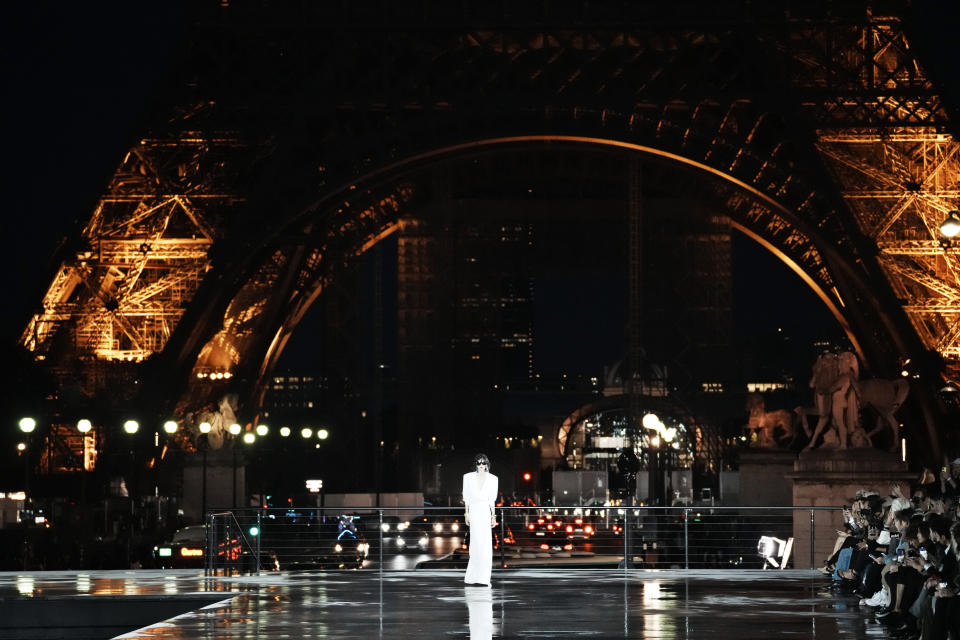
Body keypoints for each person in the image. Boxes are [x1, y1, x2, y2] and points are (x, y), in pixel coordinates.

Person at [463, 453, 498, 586]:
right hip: (474, 511)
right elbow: (466, 498)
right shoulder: (468, 477)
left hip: (484, 511)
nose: (481, 465)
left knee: (485, 545)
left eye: (484, 463)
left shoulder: (493, 479)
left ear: (487, 464)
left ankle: (484, 578)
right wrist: (466, 514)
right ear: (475, 464)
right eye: (479, 463)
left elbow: (492, 500)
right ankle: (472, 577)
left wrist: (493, 516)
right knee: (474, 545)